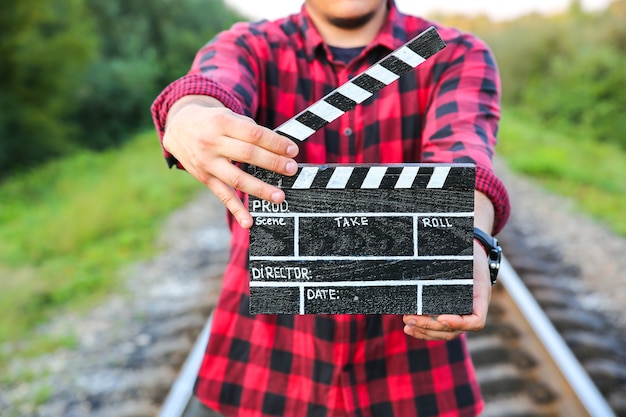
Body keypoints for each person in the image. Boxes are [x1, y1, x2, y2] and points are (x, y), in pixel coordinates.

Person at [151, 0, 510, 415]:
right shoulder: (249, 44)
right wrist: (189, 116)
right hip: (257, 367)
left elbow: (463, 158)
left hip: (410, 377)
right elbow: (210, 85)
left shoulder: (455, 52)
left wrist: (468, 233)